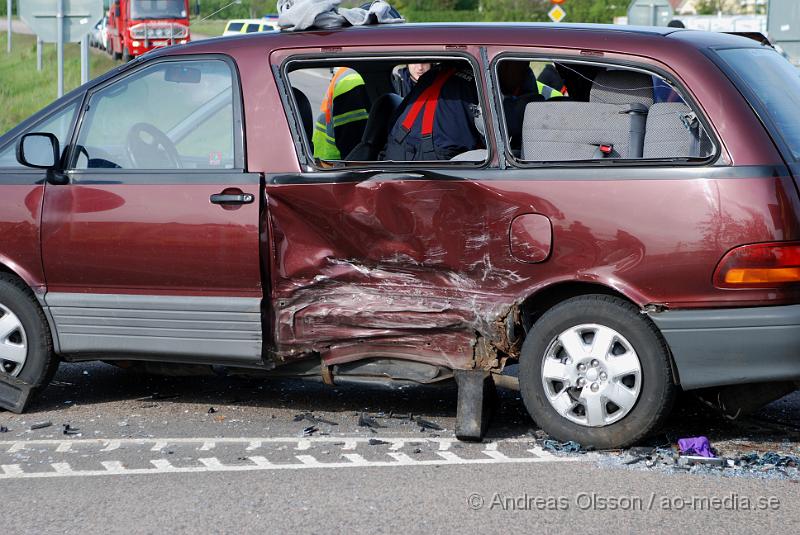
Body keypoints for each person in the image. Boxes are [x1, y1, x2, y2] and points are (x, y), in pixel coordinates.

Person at [384, 62, 484, 161]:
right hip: (437, 157)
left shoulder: (430, 74)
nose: (420, 67)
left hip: (397, 145)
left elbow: (395, 117)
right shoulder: (481, 81)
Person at [312, 67, 370, 160]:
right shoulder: (353, 83)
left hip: (327, 157)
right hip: (337, 162)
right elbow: (351, 144)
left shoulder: (346, 73)